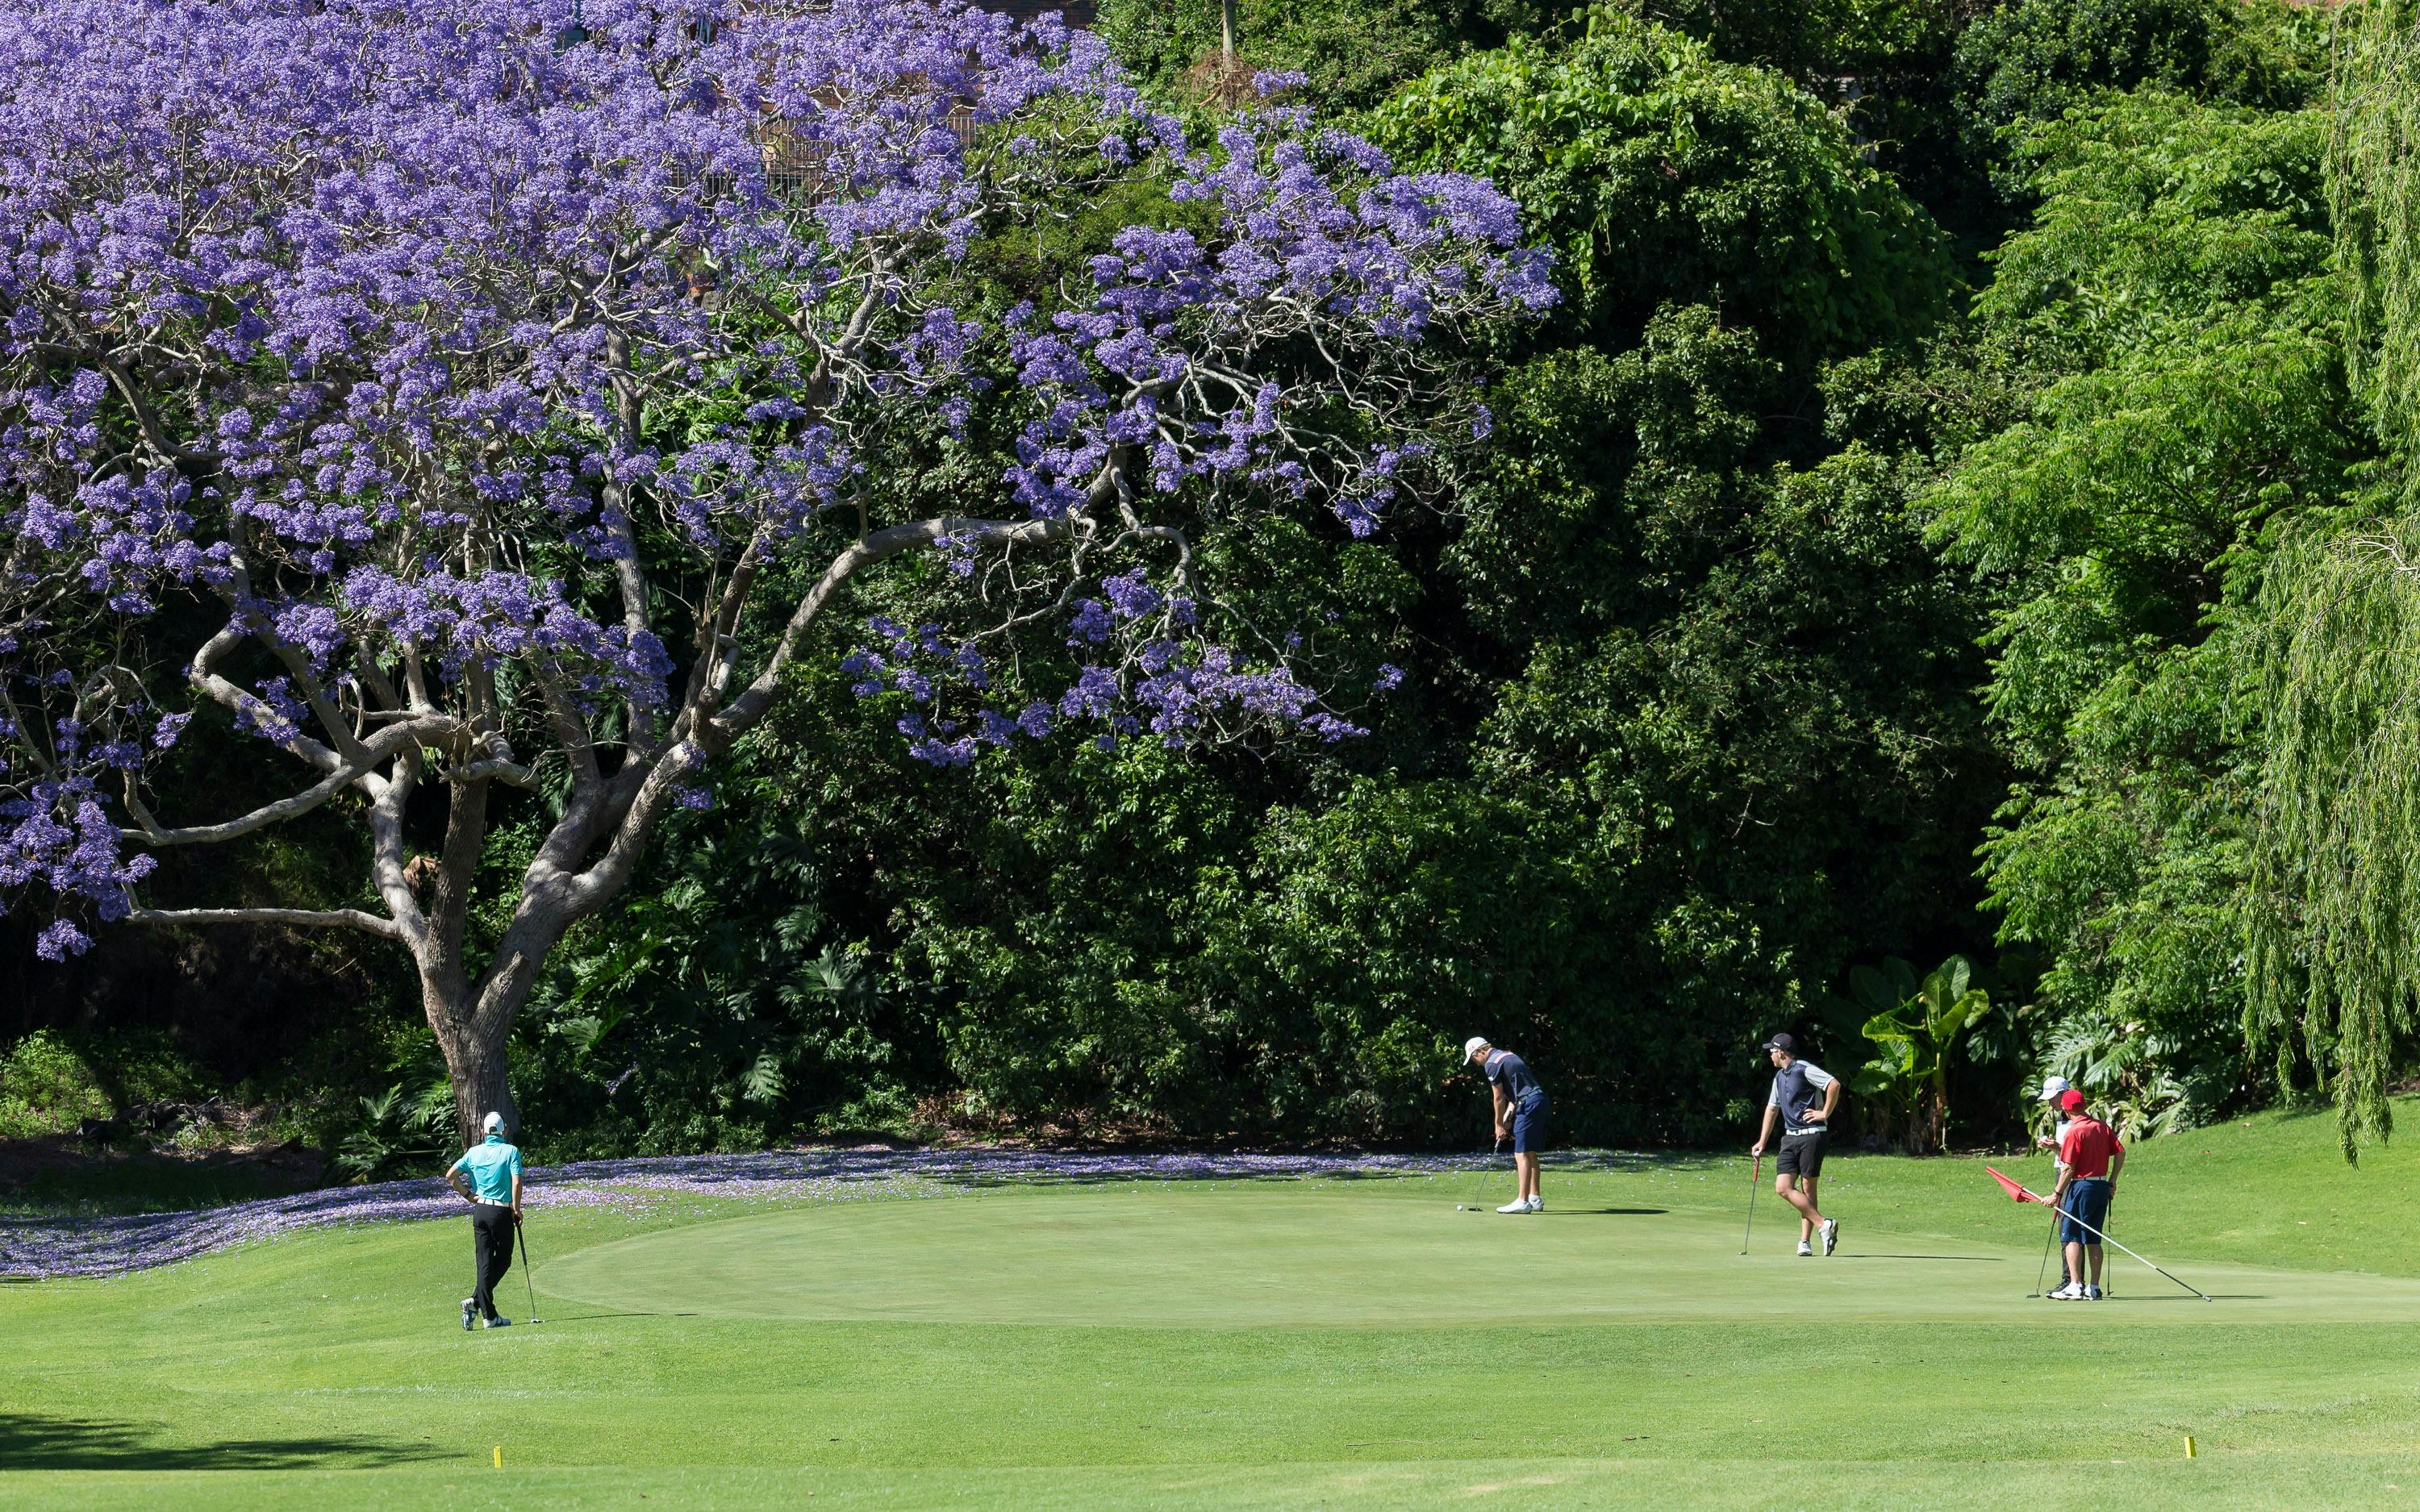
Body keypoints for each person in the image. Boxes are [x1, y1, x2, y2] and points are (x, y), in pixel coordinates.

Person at [1749, 1032, 1839, 1257]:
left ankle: (1805, 1242)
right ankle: (1823, 1224)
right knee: (1783, 1187)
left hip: (1812, 1135)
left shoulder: (1804, 1069)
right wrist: (1762, 1141)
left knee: (1809, 1187)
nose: (1770, 1055)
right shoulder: (1779, 1077)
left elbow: (1833, 1084)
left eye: (1772, 1051)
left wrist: (1824, 1112)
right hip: (1790, 1137)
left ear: (1781, 1052)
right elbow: (1772, 1108)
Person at [444, 1110, 524, 1330]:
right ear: (504, 1130)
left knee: (484, 1262)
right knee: (504, 1259)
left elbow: (451, 1176)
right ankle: (482, 1308)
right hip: (500, 1212)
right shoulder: (511, 1151)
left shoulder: (473, 1152)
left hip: (480, 1212)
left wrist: (469, 1196)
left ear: (483, 1132)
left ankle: (484, 1311)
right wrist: (516, 1209)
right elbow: (516, 1182)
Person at [2047, 1088, 2123, 1301]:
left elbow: (2069, 1168)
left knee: (2072, 1236)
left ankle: (2075, 1285)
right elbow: (2120, 1152)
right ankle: (2094, 1287)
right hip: (2101, 1188)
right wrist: (2113, 1179)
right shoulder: (2101, 1126)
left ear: (2065, 1107)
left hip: (2081, 1187)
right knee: (2093, 1238)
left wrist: (2056, 1193)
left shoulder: (2074, 1132)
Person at [1463, 1036, 1548, 1213]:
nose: (1476, 1063)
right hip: (1539, 1100)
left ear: (1479, 1051)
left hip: (1528, 1104)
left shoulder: (1491, 1063)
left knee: (1521, 1153)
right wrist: (1508, 1116)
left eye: (1473, 1058)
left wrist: (1498, 1125)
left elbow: (1498, 1097)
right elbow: (1517, 1092)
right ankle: (1535, 1198)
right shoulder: (1508, 1055)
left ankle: (1522, 1202)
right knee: (1530, 1151)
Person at [2034, 1074, 2075, 1289]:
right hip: (2061, 1171)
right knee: (2064, 1227)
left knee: (2067, 1228)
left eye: (2053, 1098)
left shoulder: (2075, 1119)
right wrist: (2054, 1146)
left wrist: (2054, 1147)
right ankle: (2071, 1280)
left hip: (2070, 1174)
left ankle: (2071, 1281)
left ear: (2064, 1094)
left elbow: (2074, 1155)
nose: (2050, 1102)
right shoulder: (2061, 1117)